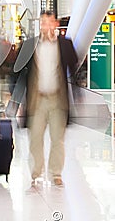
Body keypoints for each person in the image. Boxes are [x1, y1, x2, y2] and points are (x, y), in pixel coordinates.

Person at [14, 10, 78, 187]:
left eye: (49, 22)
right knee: (35, 137)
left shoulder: (65, 45)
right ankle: (36, 173)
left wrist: (77, 95)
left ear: (56, 24)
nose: (46, 26)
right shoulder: (29, 46)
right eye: (43, 22)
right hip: (37, 100)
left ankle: (56, 173)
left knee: (57, 138)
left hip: (58, 100)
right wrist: (16, 101)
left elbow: (74, 68)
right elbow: (18, 73)